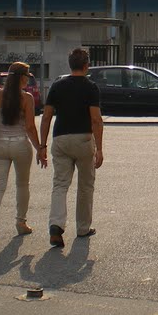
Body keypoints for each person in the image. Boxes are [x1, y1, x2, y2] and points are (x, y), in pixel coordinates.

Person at [39, 47, 104, 249]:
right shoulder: (90, 87)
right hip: (83, 139)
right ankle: (83, 227)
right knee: (85, 185)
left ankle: (56, 226)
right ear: (86, 66)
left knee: (60, 184)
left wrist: (42, 145)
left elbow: (47, 116)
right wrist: (99, 148)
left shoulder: (57, 86)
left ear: (70, 64)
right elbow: (95, 119)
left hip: (60, 139)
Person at [0, 61, 41, 246]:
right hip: (20, 146)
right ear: (23, 78)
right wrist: (40, 148)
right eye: (28, 76)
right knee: (22, 185)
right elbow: (30, 127)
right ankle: (20, 222)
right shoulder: (27, 98)